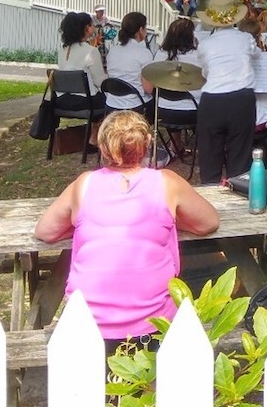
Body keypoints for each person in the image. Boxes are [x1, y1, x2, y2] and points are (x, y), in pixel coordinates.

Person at [34, 111, 220, 349]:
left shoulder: (84, 183)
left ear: (103, 148)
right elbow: (208, 222)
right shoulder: (168, 182)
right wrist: (168, 219)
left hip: (86, 324)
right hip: (154, 324)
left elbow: (46, 231)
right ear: (148, 144)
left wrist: (82, 224)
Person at [193, 0, 257, 184]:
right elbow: (257, 55)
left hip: (212, 100)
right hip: (241, 98)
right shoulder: (245, 38)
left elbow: (206, 72)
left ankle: (210, 197)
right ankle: (238, 195)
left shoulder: (205, 44)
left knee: (210, 155)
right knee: (240, 155)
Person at [56, 12, 108, 138]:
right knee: (112, 101)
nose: (94, 28)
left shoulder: (62, 50)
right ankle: (97, 137)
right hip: (85, 102)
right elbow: (100, 82)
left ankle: (93, 136)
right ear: (86, 28)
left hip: (62, 100)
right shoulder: (91, 51)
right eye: (92, 25)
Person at [106, 12, 156, 114]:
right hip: (135, 105)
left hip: (111, 105)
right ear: (140, 29)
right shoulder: (144, 53)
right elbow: (148, 89)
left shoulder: (113, 51)